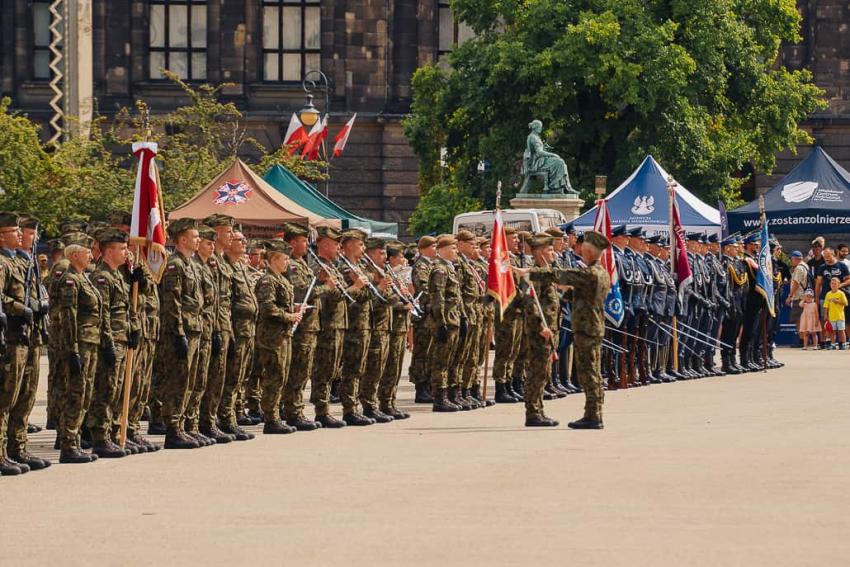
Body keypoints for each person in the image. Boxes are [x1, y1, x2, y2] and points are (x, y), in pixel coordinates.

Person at [520, 230, 611, 429]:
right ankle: (534, 411)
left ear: (589, 251)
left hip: (585, 328)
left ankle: (593, 414)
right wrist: (541, 324)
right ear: (539, 252)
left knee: (588, 372)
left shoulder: (591, 273)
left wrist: (529, 272)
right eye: (550, 250)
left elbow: (562, 276)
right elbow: (530, 303)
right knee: (539, 370)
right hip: (547, 328)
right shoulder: (601, 272)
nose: (554, 253)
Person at [54, 232, 102, 464]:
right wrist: (72, 349)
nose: (92, 256)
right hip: (79, 344)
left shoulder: (83, 278)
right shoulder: (69, 280)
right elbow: (68, 318)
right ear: (74, 255)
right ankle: (68, 444)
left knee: (85, 393)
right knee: (75, 393)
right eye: (87, 251)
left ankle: (75, 439)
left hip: (90, 342)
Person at [159, 218, 206, 449]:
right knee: (178, 380)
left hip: (195, 328)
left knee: (190, 380)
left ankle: (184, 425)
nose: (199, 240)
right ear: (183, 239)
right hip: (182, 330)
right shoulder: (175, 264)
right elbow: (172, 302)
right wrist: (178, 333)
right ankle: (172, 428)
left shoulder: (192, 264)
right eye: (195, 236)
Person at [254, 239, 303, 434]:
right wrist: (289, 316)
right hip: (272, 337)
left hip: (283, 336)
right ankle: (271, 418)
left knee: (281, 376)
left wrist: (295, 309)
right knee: (273, 377)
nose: (287, 263)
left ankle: (275, 415)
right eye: (284, 259)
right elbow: (267, 308)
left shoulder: (281, 280)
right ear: (273, 259)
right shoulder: (268, 280)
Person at [409, 235, 437, 403]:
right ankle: (421, 388)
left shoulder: (430, 264)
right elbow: (424, 288)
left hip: (430, 315)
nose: (435, 249)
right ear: (423, 248)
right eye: (433, 246)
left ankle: (427, 386)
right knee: (422, 353)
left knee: (429, 352)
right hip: (424, 315)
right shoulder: (421, 266)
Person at [785, 251, 809, 334]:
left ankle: (802, 340)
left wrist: (790, 296)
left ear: (795, 259)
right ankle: (803, 340)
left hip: (799, 297)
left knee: (799, 320)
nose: (791, 261)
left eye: (792, 259)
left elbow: (796, 283)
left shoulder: (799, 268)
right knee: (802, 320)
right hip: (805, 296)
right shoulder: (805, 266)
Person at [824, 277, 848, 349]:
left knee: (841, 331)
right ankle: (833, 344)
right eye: (832, 283)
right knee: (832, 331)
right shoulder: (828, 294)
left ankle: (843, 344)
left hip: (840, 316)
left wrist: (838, 302)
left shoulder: (841, 293)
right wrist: (825, 314)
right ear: (830, 284)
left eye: (835, 283)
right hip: (831, 316)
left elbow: (846, 303)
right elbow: (826, 306)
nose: (833, 285)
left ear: (838, 285)